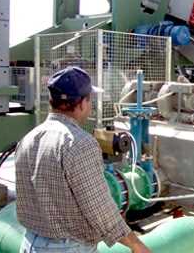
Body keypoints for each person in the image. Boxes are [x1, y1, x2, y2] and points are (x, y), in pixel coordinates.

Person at [15, 67, 151, 253]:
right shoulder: (79, 143)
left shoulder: (29, 138)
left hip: (29, 243)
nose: (91, 106)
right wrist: (136, 245)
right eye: (90, 100)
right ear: (81, 104)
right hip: (68, 248)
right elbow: (100, 210)